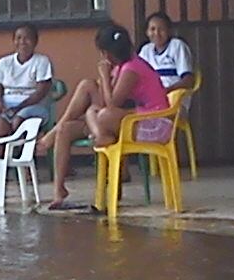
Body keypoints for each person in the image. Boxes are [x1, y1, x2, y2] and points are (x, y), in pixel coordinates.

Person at [39, 22, 169, 209]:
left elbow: (112, 103)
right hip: (130, 119)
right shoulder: (121, 66)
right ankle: (59, 190)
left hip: (154, 123)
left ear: (107, 54)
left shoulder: (132, 68)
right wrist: (103, 82)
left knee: (100, 113)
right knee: (67, 128)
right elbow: (105, 98)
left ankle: (99, 135)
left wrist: (104, 76)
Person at [0, 23, 61, 140]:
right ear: (13, 41)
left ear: (35, 41)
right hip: (7, 106)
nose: (22, 42)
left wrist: (18, 108)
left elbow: (40, 92)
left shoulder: (42, 61)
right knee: (0, 125)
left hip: (33, 105)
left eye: (27, 38)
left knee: (18, 122)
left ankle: (20, 151)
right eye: (18, 38)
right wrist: (0, 105)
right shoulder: (4, 62)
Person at [139, 10, 196, 93]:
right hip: (152, 95)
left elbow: (188, 80)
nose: (157, 33)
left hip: (174, 95)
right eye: (152, 29)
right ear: (147, 32)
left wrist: (167, 90)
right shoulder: (146, 50)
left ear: (169, 31)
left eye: (161, 29)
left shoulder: (177, 46)